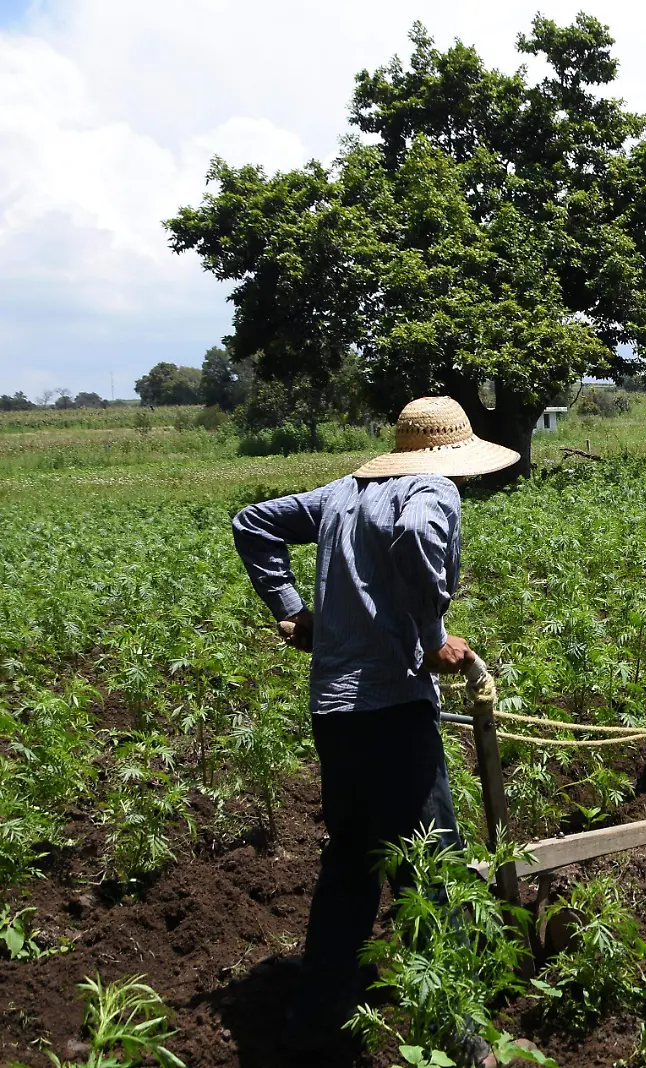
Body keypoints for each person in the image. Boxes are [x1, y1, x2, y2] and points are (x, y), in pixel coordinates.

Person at [231, 396, 518, 1066]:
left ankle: (313, 1016)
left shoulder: (343, 493)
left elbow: (253, 524)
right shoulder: (431, 489)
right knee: (429, 866)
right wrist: (432, 637)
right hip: (393, 707)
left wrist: (294, 611)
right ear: (453, 453)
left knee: (351, 863)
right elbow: (419, 536)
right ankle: (456, 1027)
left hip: (335, 710)